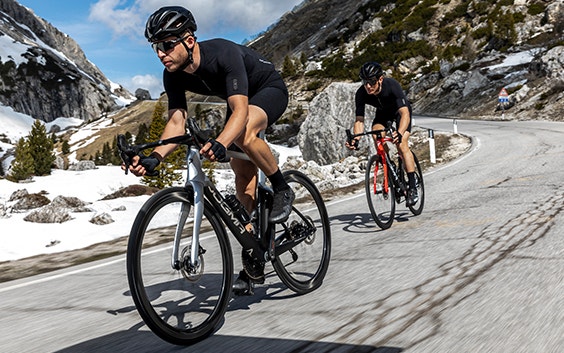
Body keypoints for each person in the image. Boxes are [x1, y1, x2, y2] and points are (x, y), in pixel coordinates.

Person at [126, 6, 295, 294]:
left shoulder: (223, 55)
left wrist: (221, 142)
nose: (160, 53)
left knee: (242, 133)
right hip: (240, 103)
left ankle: (281, 187)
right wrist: (155, 158)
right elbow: (177, 122)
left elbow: (239, 111)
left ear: (189, 40)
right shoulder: (173, 74)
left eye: (167, 45)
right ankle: (254, 255)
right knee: (243, 177)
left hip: (268, 90)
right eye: (156, 46)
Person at [345, 61, 419, 206]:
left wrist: (399, 132)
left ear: (380, 79)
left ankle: (412, 186)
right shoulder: (361, 93)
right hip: (383, 115)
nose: (368, 86)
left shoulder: (391, 85)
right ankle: (389, 166)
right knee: (376, 135)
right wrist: (356, 139)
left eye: (371, 82)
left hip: (400, 114)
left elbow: (405, 113)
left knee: (402, 144)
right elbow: (359, 120)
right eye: (365, 82)